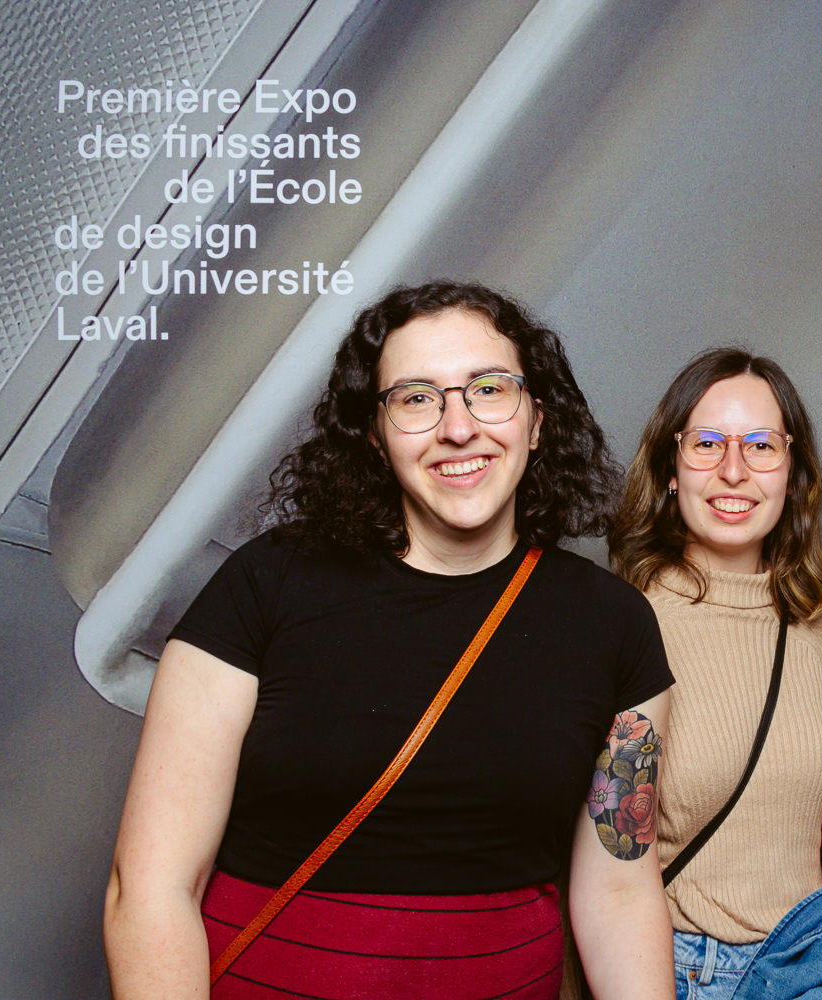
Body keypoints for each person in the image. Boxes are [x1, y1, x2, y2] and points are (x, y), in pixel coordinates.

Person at [104, 281, 675, 1000]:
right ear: (374, 437)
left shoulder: (615, 624)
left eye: (489, 390)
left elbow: (620, 887)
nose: (458, 427)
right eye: (416, 398)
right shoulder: (266, 583)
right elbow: (150, 886)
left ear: (537, 421)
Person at [611, 349, 822, 1000]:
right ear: (670, 469)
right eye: (707, 443)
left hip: (812, 968)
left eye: (760, 445)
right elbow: (610, 851)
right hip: (685, 971)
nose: (734, 470)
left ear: (792, 472)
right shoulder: (622, 624)